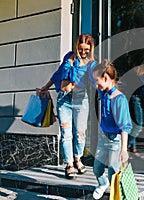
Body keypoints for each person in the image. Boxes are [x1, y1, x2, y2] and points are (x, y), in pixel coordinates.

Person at [40, 34, 97, 179]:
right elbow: (58, 74)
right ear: (77, 46)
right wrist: (45, 88)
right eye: (81, 48)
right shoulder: (69, 57)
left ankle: (78, 158)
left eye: (87, 50)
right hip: (64, 99)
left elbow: (97, 82)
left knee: (80, 134)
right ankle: (69, 164)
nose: (83, 52)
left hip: (80, 99)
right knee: (66, 134)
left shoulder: (91, 64)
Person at [92, 60, 132, 200]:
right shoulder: (103, 92)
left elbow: (124, 127)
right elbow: (95, 76)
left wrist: (124, 149)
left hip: (115, 140)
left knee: (113, 173)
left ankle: (118, 195)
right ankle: (102, 184)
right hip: (103, 138)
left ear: (105, 78)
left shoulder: (119, 99)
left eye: (97, 81)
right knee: (97, 169)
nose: (96, 85)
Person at [128, 56, 144, 159]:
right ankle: (127, 147)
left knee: (137, 124)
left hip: (138, 99)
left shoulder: (141, 74)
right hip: (136, 99)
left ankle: (133, 149)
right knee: (138, 124)